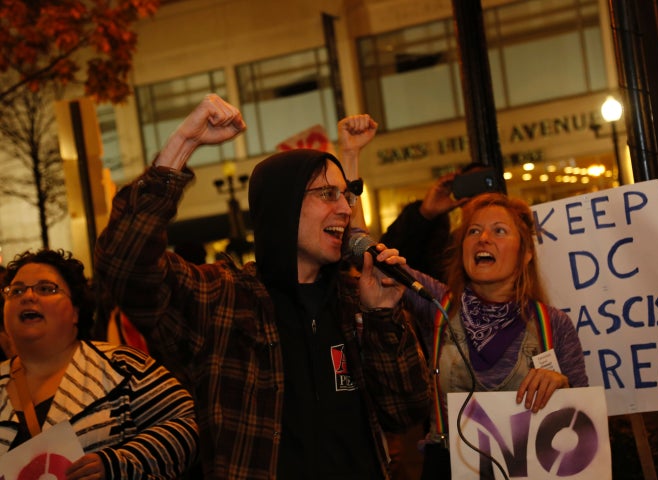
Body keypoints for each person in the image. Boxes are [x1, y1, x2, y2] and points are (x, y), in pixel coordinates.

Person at [93, 94, 432, 479]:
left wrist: (382, 318)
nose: (345, 209)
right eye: (327, 194)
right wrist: (183, 143)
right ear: (282, 207)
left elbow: (406, 410)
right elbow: (124, 263)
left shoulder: (356, 300)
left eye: (347, 196)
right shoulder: (223, 299)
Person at [399, 192, 589, 479]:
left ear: (525, 254)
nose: (483, 238)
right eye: (473, 231)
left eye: (499, 230)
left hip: (531, 469)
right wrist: (350, 157)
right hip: (449, 467)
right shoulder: (438, 305)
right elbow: (375, 262)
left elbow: (585, 422)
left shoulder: (553, 324)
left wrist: (562, 385)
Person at [0, 249, 198, 479]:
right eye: (16, 290)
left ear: (75, 311)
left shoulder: (123, 367)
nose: (28, 296)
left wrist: (116, 464)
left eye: (46, 288)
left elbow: (188, 425)